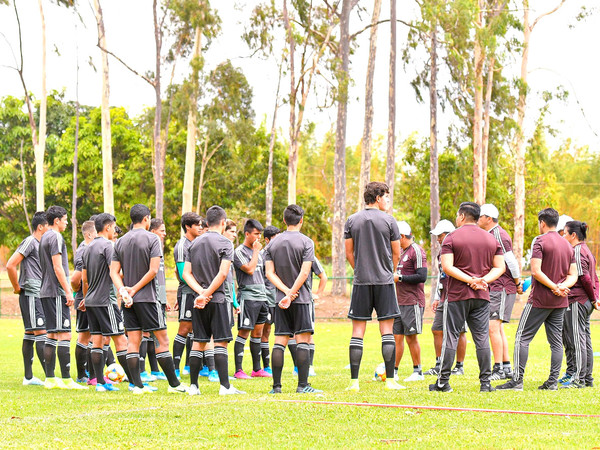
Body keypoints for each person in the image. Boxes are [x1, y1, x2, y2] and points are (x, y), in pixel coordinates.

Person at [497, 208, 578, 391]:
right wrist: (562, 287)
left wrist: (554, 287)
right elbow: (573, 275)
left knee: (522, 337)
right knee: (556, 342)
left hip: (540, 300)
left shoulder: (540, 241)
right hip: (560, 301)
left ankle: (517, 381)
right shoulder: (567, 245)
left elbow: (536, 271)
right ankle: (552, 382)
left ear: (542, 222)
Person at [111, 204, 187, 394]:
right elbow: (153, 270)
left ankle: (136, 386)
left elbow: (113, 272)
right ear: (146, 219)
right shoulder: (153, 239)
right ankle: (174, 385)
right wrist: (134, 290)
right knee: (162, 341)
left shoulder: (120, 241)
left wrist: (124, 291)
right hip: (148, 299)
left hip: (129, 301)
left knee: (133, 342)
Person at [429, 202, 505, 393]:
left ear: (462, 216)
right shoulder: (490, 239)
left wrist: (470, 280)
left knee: (451, 336)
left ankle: (443, 382)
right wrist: (482, 281)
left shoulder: (452, 237)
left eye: (457, 215)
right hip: (482, 295)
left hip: (457, 295)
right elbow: (500, 267)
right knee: (482, 338)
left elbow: (447, 267)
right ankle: (485, 384)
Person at [344, 182, 404, 392]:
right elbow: (396, 253)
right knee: (386, 330)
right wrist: (388, 271)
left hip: (361, 282)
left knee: (357, 331)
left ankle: (354, 383)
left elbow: (349, 253)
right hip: (384, 282)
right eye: (386, 197)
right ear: (378, 198)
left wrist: (360, 270)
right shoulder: (389, 220)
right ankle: (390, 381)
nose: (388, 201)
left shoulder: (352, 220)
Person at [182, 205, 245, 395]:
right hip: (218, 299)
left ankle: (194, 386)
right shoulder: (226, 243)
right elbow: (223, 273)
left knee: (198, 342)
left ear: (206, 223)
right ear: (223, 223)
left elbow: (186, 274)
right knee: (220, 342)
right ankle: (225, 386)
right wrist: (208, 293)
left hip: (198, 301)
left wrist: (201, 293)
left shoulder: (193, 243)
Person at [265, 204, 322, 394]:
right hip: (301, 299)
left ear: (284, 220)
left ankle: (276, 387)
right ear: (301, 221)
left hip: (280, 300)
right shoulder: (307, 242)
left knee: (279, 341)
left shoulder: (272, 244)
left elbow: (269, 273)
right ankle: (303, 385)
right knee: (303, 341)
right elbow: (305, 272)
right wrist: (292, 293)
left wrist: (285, 293)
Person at [39, 205, 86, 390]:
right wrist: (68, 291)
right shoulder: (56, 237)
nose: (67, 223)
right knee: (65, 334)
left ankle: (50, 379)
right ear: (57, 220)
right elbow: (58, 267)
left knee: (51, 334)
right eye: (65, 220)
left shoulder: (44, 237)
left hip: (46, 291)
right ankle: (67, 380)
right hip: (56, 292)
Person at [81, 213, 128, 392]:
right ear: (107, 227)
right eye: (114, 227)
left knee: (97, 341)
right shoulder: (108, 246)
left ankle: (100, 383)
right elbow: (114, 272)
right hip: (105, 300)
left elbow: (85, 279)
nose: (115, 230)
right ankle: (135, 381)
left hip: (91, 301)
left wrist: (85, 298)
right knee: (121, 340)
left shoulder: (88, 247)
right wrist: (123, 289)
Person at [477, 204, 522, 381]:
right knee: (498, 327)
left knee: (492, 327)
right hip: (497, 287)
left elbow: (511, 262)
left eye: (480, 216)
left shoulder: (498, 235)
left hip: (501, 286)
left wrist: (517, 283)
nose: (478, 219)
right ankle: (505, 366)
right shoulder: (491, 234)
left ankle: (498, 369)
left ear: (488, 218)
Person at [6, 211, 49, 386]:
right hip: (31, 293)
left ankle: (29, 377)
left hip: (39, 293)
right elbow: (10, 265)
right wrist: (17, 287)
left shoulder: (41, 244)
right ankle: (50, 377)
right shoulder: (30, 242)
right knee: (40, 332)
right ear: (40, 227)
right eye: (48, 225)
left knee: (30, 333)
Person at [424, 220, 468, 377]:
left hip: (458, 296)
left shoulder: (460, 250)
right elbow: (440, 276)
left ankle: (459, 366)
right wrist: (437, 296)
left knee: (460, 331)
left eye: (440, 235)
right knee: (436, 329)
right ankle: (439, 364)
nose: (438, 239)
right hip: (444, 295)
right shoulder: (441, 253)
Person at [560, 220, 598, 388]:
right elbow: (595, 279)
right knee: (585, 339)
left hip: (578, 301)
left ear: (573, 235)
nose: (563, 236)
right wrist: (595, 298)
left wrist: (593, 298)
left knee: (577, 340)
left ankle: (579, 379)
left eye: (565, 233)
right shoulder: (587, 250)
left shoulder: (577, 251)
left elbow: (586, 278)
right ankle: (587, 378)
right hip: (586, 302)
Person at [233, 219, 271, 378]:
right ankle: (238, 370)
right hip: (248, 297)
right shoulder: (239, 252)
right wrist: (255, 251)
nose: (259, 237)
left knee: (258, 333)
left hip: (262, 297)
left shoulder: (260, 254)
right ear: (247, 234)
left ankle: (257, 369)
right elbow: (249, 270)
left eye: (260, 234)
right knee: (244, 332)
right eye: (256, 234)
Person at [393, 221, 427, 383]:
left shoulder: (416, 251)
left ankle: (418, 371)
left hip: (412, 301)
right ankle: (393, 371)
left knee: (411, 337)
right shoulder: (400, 251)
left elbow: (422, 276)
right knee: (396, 337)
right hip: (398, 302)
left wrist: (400, 278)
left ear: (401, 236)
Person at [173, 212, 202, 377]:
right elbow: (183, 274)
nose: (200, 227)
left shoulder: (197, 243)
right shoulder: (182, 246)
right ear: (187, 226)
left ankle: (190, 366)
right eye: (197, 225)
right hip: (188, 292)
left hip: (198, 292)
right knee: (184, 328)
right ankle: (175, 368)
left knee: (195, 329)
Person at [71, 220, 97, 383]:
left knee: (91, 336)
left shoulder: (89, 248)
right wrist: (80, 295)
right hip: (84, 300)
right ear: (88, 235)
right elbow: (75, 279)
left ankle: (89, 373)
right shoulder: (83, 251)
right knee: (84, 336)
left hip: (90, 298)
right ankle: (82, 375)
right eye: (96, 233)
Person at [146, 218, 169, 381]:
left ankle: (155, 370)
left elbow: (160, 277)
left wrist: (164, 298)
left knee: (155, 336)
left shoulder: (158, 248)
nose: (165, 233)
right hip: (149, 298)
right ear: (153, 231)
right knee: (147, 334)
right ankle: (143, 370)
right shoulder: (148, 247)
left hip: (159, 298)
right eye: (162, 230)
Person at [260, 225, 281, 375]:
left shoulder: (281, 253)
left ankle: (297, 366)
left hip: (280, 299)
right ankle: (266, 366)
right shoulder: (261, 255)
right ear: (267, 240)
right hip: (266, 299)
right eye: (274, 239)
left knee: (284, 333)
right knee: (265, 331)